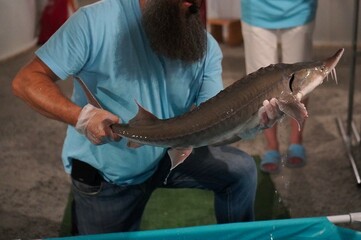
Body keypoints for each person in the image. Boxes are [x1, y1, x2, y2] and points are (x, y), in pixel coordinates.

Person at [12, 0, 280, 235]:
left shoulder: (205, 46)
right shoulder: (95, 21)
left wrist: (251, 123)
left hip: (166, 153)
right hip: (109, 174)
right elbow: (27, 80)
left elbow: (213, 127)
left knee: (240, 170)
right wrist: (82, 117)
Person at [240, 0, 318, 173]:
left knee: (301, 82)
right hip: (257, 8)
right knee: (261, 86)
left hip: (300, 7)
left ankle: (296, 140)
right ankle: (272, 145)